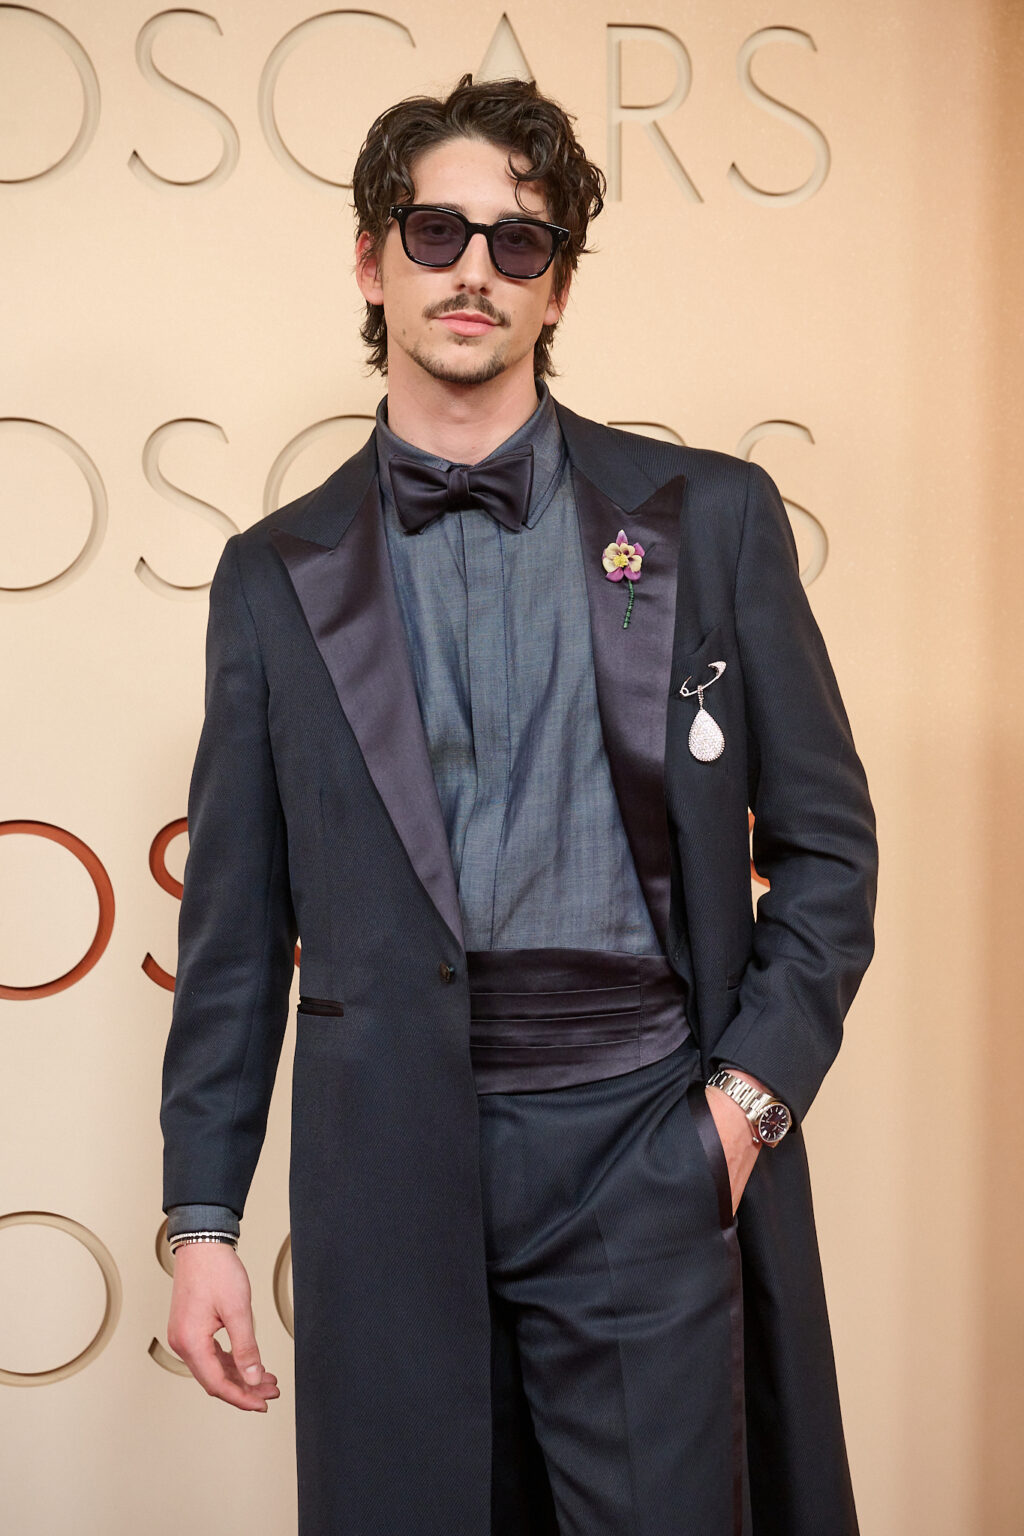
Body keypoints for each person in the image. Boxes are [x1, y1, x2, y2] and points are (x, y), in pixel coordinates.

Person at [160, 72, 877, 1536]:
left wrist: (737, 1114)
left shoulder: (712, 515)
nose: (475, 269)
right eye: (435, 233)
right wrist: (204, 1221)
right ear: (371, 262)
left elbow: (827, 854)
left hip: (643, 1148)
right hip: (387, 1165)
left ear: (558, 290)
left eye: (521, 242)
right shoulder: (268, 576)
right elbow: (236, 933)